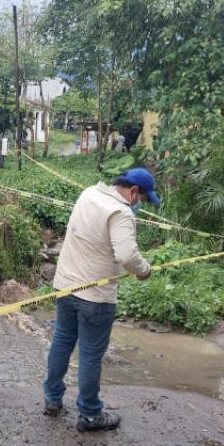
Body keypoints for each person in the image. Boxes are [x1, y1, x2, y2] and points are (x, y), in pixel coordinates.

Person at [43, 168, 159, 432]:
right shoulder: (121, 212)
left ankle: (52, 399)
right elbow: (127, 256)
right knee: (91, 355)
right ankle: (91, 414)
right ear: (133, 192)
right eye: (143, 198)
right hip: (94, 298)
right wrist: (144, 270)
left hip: (64, 286)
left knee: (61, 340)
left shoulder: (89, 193)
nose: (141, 203)